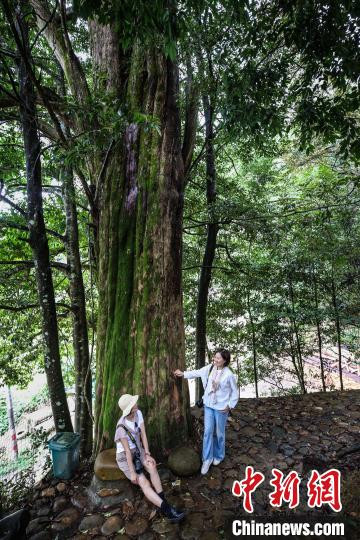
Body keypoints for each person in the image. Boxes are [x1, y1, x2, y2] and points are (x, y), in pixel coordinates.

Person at [115, 394, 185, 522]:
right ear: (130, 408)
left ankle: (162, 502)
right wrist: (132, 473)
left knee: (152, 466)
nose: (136, 403)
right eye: (133, 403)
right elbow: (127, 452)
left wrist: (147, 453)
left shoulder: (138, 413)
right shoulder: (121, 427)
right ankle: (168, 510)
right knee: (143, 482)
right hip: (125, 457)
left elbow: (143, 435)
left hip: (138, 450)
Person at [174, 349, 239, 475]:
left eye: (218, 358)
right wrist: (183, 373)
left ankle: (219, 456)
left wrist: (230, 405)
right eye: (214, 357)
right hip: (209, 405)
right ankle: (207, 459)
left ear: (224, 360)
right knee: (208, 431)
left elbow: (234, 392)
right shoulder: (210, 368)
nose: (215, 360)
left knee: (219, 433)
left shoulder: (229, 375)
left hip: (221, 408)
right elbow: (197, 372)